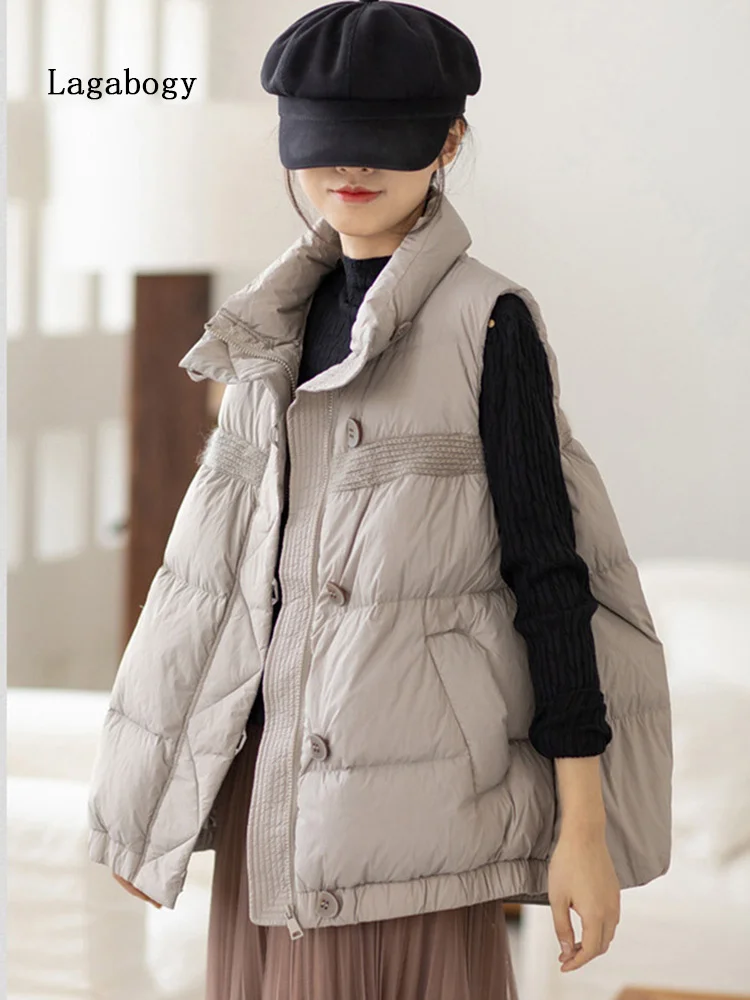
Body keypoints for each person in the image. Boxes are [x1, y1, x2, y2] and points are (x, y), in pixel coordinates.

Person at [93, 2, 674, 999]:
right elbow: (210, 586)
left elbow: (551, 580)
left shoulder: (487, 323)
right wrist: (145, 804)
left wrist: (582, 831)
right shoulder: (267, 333)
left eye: (386, 140)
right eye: (325, 141)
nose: (350, 168)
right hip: (271, 817)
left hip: (417, 822)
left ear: (448, 142)